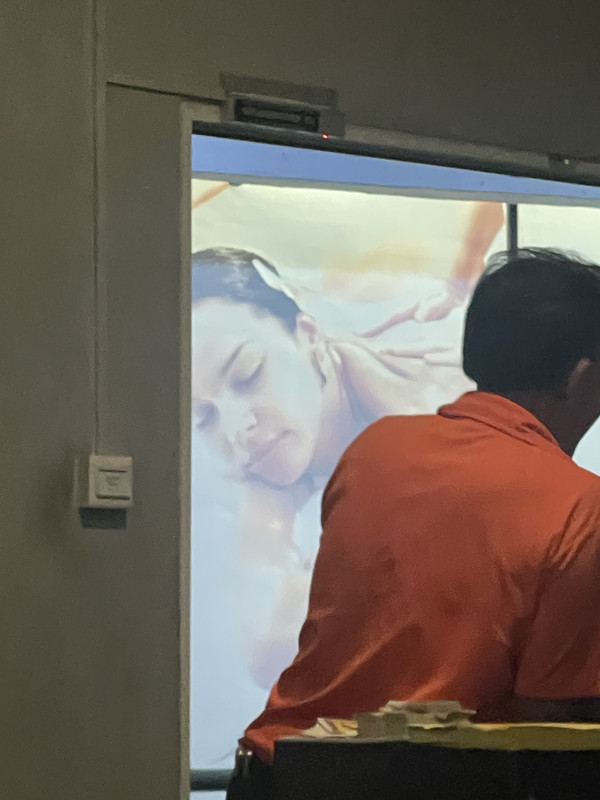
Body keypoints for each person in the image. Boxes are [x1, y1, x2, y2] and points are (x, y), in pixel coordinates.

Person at [227, 248, 600, 800]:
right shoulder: (579, 505)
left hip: (280, 772)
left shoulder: (373, 450)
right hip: (425, 782)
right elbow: (550, 723)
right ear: (580, 376)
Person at [192, 247, 473, 691]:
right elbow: (267, 652)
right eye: (203, 417)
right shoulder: (260, 486)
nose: (235, 428)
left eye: (248, 374)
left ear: (308, 335)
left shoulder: (444, 404)